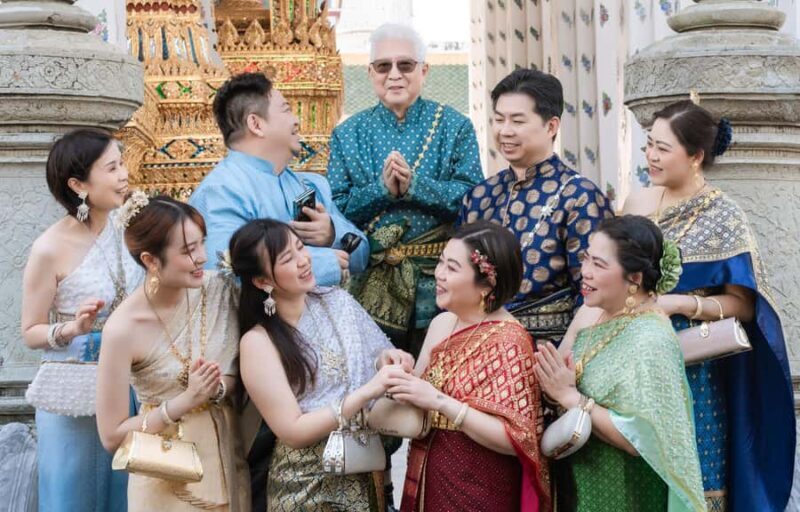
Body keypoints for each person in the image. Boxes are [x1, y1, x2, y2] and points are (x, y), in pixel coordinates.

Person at [623, 100, 794, 511]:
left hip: (692, 367)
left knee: (693, 477)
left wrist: (679, 303)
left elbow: (746, 306)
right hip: (629, 357)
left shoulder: (722, 215)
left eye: (663, 149)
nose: (651, 156)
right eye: (649, 145)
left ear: (696, 156)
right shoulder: (637, 202)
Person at [328, 23, 483, 358]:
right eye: (383, 66)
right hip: (372, 279)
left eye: (406, 65)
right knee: (377, 377)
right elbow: (338, 208)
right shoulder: (347, 134)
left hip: (440, 279)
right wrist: (382, 190)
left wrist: (415, 186)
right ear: (370, 73)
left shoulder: (454, 126)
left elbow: (472, 198)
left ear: (423, 70)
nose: (394, 75)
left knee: (440, 374)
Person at [229, 218, 404, 511]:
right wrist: (363, 395)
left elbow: (379, 353)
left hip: (364, 466)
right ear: (262, 281)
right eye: (288, 258)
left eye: (301, 247)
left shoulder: (337, 301)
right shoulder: (258, 342)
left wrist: (389, 359)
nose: (303, 261)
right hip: (307, 482)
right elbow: (293, 430)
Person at [538, 215, 705, 511]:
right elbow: (558, 373)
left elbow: (641, 438)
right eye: (586, 258)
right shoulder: (591, 314)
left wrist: (571, 397)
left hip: (625, 489)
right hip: (578, 478)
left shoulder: (651, 338)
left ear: (634, 279)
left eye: (599, 265)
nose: (584, 272)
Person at [96, 195, 250, 511]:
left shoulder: (219, 289)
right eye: (188, 251)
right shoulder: (122, 329)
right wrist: (185, 401)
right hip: (164, 476)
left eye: (201, 244)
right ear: (151, 260)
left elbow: (242, 364)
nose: (202, 257)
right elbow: (111, 437)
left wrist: (218, 388)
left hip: (228, 462)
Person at [384, 221, 550, 511]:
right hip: (430, 472)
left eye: (452, 268)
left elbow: (516, 439)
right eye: (440, 263)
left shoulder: (510, 340)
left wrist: (440, 402)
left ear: (486, 284)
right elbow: (420, 395)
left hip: (480, 484)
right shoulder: (442, 323)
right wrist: (400, 371)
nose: (438, 274)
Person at [21, 129, 143, 512]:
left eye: (121, 164)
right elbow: (30, 331)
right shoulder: (49, 248)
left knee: (128, 493)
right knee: (72, 496)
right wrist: (71, 329)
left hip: (132, 385)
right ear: (78, 184)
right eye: (111, 168)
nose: (124, 174)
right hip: (73, 387)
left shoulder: (131, 229)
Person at [457, 69, 613, 345]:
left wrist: (566, 361)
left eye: (517, 121)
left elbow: (595, 294)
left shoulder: (580, 197)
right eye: (498, 119)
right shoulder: (479, 196)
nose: (505, 130)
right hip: (476, 348)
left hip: (548, 351)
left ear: (551, 126)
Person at [189, 71, 369, 286]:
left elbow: (362, 256)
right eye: (287, 110)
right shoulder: (222, 191)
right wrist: (318, 263)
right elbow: (222, 271)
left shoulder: (308, 185)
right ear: (256, 124)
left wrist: (331, 234)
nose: (296, 121)